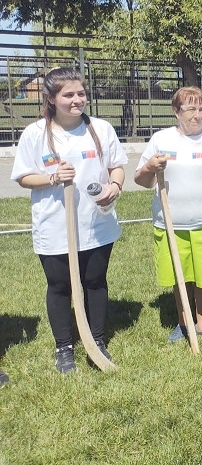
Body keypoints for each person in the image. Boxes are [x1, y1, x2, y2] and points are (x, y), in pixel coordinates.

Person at [11, 68, 126, 373]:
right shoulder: (35, 134)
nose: (77, 100)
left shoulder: (101, 129)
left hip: (96, 223)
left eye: (81, 93)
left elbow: (117, 167)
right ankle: (64, 347)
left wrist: (114, 187)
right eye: (68, 95)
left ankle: (97, 341)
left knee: (94, 281)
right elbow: (23, 177)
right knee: (60, 285)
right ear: (51, 98)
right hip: (54, 225)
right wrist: (52, 177)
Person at [134, 87, 202, 344]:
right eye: (191, 109)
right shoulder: (162, 140)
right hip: (172, 223)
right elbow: (141, 180)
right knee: (179, 274)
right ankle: (183, 322)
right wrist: (149, 167)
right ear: (176, 112)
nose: (198, 115)